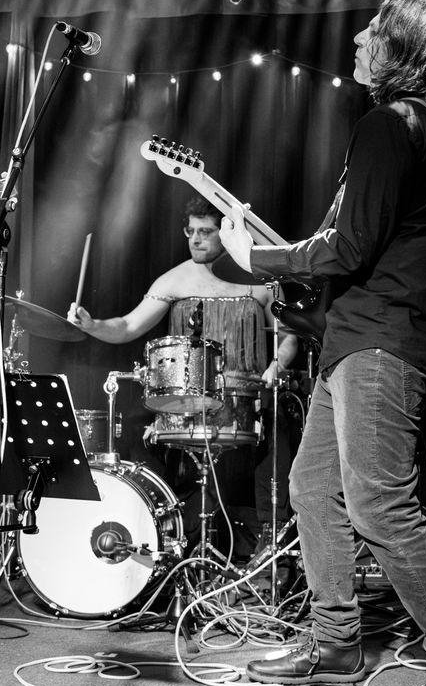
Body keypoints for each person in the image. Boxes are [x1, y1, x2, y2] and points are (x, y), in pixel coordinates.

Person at [219, 0, 426, 686]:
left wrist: (258, 258)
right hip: (367, 339)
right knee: (313, 486)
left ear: (402, 48)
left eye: (373, 31)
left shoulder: (391, 123)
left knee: (379, 504)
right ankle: (335, 644)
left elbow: (348, 247)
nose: (356, 40)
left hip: (380, 343)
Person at [67, 197, 303, 563]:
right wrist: (92, 324)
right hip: (188, 402)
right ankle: (160, 535)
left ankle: (273, 544)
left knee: (279, 424)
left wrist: (277, 365)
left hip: (248, 396)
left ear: (227, 233)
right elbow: (128, 325)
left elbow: (289, 337)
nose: (195, 238)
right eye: (190, 231)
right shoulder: (175, 279)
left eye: (205, 232)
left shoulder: (260, 280)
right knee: (142, 431)